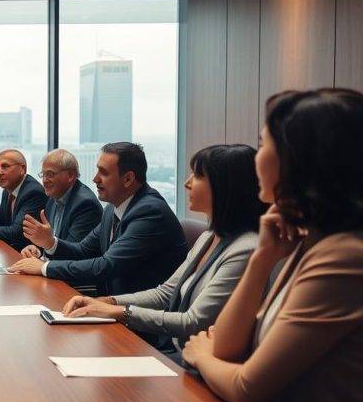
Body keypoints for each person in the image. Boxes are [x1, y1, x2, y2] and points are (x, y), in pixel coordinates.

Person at [183, 89, 363, 402]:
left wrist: (202, 356)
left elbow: (247, 389)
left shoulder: (343, 256)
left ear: (300, 159)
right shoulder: (305, 242)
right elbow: (231, 350)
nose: (256, 159)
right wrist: (262, 260)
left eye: (264, 144)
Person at [62, 145, 265, 357]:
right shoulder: (208, 237)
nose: (187, 183)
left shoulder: (244, 249)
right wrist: (108, 302)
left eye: (197, 176)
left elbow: (192, 321)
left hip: (194, 360)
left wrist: (119, 311)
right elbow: (165, 293)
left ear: (224, 187)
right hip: (179, 350)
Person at [9, 142, 187, 296]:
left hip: (140, 320)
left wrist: (43, 267)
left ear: (128, 179)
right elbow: (82, 250)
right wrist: (50, 243)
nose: (95, 179)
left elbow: (107, 265)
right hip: (111, 304)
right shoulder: (112, 208)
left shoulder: (150, 212)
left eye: (103, 173)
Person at [17, 148, 101, 258]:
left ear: (70, 176)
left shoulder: (86, 205)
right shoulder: (53, 197)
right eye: (43, 175)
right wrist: (37, 249)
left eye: (50, 174)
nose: (45, 180)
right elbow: (49, 242)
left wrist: (42, 264)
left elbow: (74, 254)